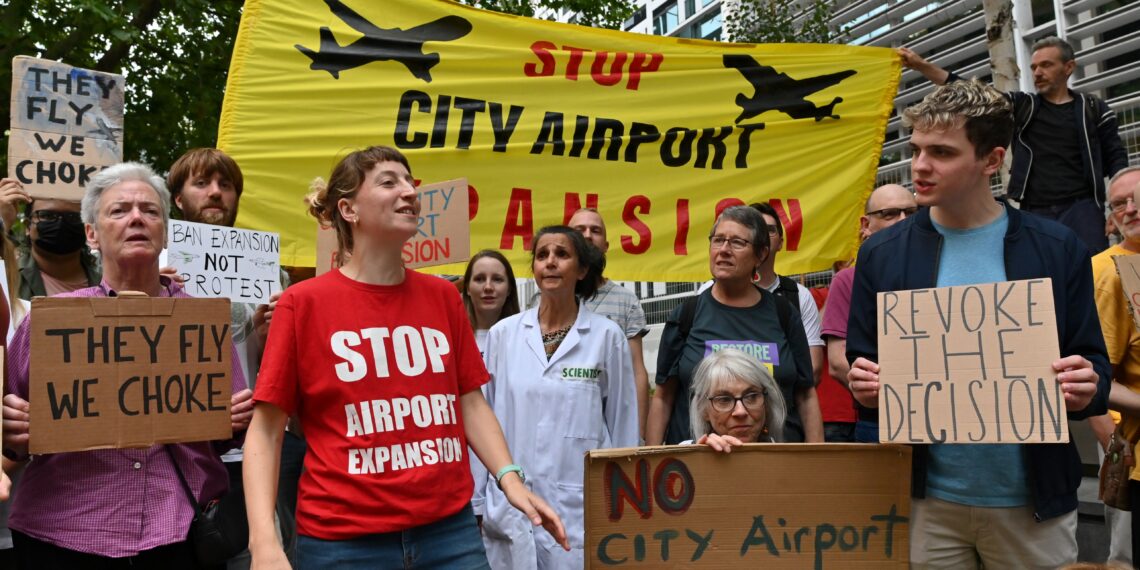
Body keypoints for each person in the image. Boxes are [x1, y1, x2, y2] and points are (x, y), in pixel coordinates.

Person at [242, 146, 566, 569]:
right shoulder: (301, 306)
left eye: (411, 182)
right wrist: (264, 542)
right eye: (389, 182)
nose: (410, 192)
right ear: (348, 209)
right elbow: (266, 432)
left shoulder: (444, 298)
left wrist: (509, 477)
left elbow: (469, 401)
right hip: (343, 544)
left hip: (451, 533)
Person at [846, 79, 1109, 568]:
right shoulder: (881, 255)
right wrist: (866, 386)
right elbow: (864, 365)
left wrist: (1084, 384)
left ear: (991, 160)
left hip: (1034, 507)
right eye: (917, 148)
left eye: (941, 152)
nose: (920, 166)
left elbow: (1094, 363)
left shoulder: (1056, 248)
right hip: (924, 503)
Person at [0, 162, 254, 569]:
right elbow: (10, 428)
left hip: (180, 534)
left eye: (150, 211)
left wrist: (232, 421)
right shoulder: (50, 321)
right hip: (65, 534)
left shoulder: (203, 321)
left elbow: (226, 434)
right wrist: (8, 426)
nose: (137, 217)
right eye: (119, 210)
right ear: (91, 234)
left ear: (165, 231)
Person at [479, 225, 638, 569]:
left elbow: (623, 424)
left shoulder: (605, 337)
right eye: (542, 255)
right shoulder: (503, 336)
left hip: (579, 505)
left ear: (582, 270)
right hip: (510, 504)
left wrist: (622, 501)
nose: (550, 262)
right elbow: (483, 419)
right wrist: (478, 502)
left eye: (562, 254)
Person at [166, 147, 293, 569]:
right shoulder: (155, 266)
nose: (216, 193)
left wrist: (270, 333)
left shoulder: (270, 273)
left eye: (226, 185)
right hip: (179, 453)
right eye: (202, 184)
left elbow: (281, 366)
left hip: (254, 449)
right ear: (179, 199)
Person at [899, 37, 1129, 253]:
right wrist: (921, 66)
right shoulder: (1025, 106)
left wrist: (1118, 207)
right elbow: (974, 92)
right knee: (1039, 275)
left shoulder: (1092, 108)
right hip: (1035, 208)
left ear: (1068, 67)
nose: (1038, 72)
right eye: (1034, 67)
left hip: (1083, 209)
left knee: (1090, 275)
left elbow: (1116, 157)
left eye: (1046, 65)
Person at [648, 205, 821, 445]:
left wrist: (816, 460)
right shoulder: (687, 314)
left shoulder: (783, 313)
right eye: (718, 240)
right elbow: (663, 397)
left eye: (737, 242)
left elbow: (805, 395)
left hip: (776, 464)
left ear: (760, 254)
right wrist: (653, 463)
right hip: (699, 464)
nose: (724, 250)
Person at [822, 183, 917, 443]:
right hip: (879, 419)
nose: (903, 221)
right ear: (866, 224)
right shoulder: (847, 280)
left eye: (912, 212)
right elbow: (840, 362)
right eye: (889, 214)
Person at [1090, 166, 1140, 562]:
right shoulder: (1108, 271)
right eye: (1119, 203)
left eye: (1137, 197)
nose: (1130, 209)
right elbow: (1095, 374)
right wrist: (1114, 445)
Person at [567, 208, 651, 439]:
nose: (587, 235)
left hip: (611, 430)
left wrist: (638, 436)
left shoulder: (626, 301)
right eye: (579, 230)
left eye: (595, 230)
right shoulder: (544, 300)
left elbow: (637, 372)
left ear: (605, 245)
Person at [750, 202, 825, 386]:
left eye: (769, 229)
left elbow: (813, 369)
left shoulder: (799, 295)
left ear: (781, 242)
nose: (762, 235)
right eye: (754, 227)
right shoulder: (711, 291)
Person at [0, 179, 101, 299]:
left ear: (87, 227)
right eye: (47, 216)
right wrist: (1, 223)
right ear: (28, 226)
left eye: (73, 217)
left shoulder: (110, 284)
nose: (60, 223)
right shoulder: (7, 278)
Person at [688, 348, 788, 452]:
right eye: (724, 399)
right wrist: (699, 458)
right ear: (703, 409)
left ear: (767, 403)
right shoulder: (682, 456)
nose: (740, 412)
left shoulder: (790, 460)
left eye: (751, 396)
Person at [461, 249, 521, 355]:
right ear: (467, 288)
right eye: (479, 279)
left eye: (497, 279)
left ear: (509, 289)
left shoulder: (525, 338)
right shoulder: (452, 338)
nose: (488, 287)